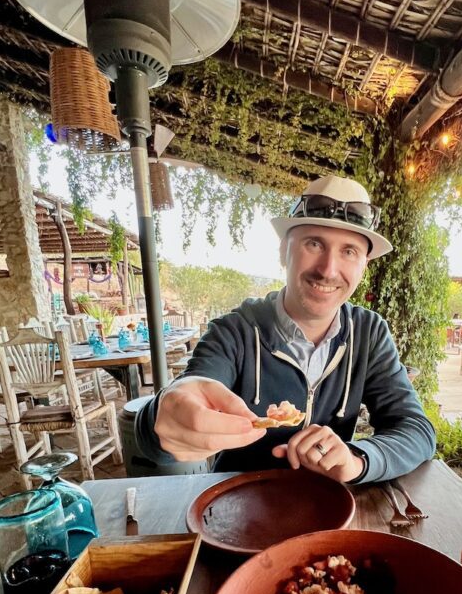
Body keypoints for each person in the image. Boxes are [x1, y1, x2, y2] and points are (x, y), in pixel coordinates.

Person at [136, 175, 436, 484]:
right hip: (236, 509)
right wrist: (162, 415)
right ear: (284, 251)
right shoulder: (234, 331)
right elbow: (182, 401)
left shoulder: (369, 333)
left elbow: (417, 429)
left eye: (349, 251)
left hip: (328, 509)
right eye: (314, 243)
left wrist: (357, 460)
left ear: (363, 266)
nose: (328, 270)